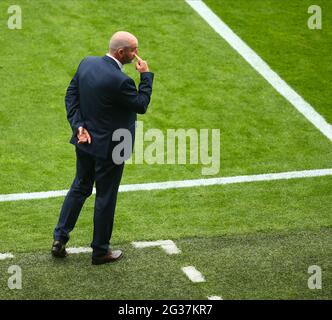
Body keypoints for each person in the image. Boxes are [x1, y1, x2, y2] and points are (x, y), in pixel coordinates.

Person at [51, 31, 154, 265]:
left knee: (80, 187)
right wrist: (146, 77)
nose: (136, 53)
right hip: (111, 148)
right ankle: (100, 251)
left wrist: (78, 126)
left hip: (85, 141)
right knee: (106, 197)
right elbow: (141, 105)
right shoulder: (121, 81)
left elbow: (71, 96)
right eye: (134, 49)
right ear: (121, 52)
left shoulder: (87, 63)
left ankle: (59, 238)